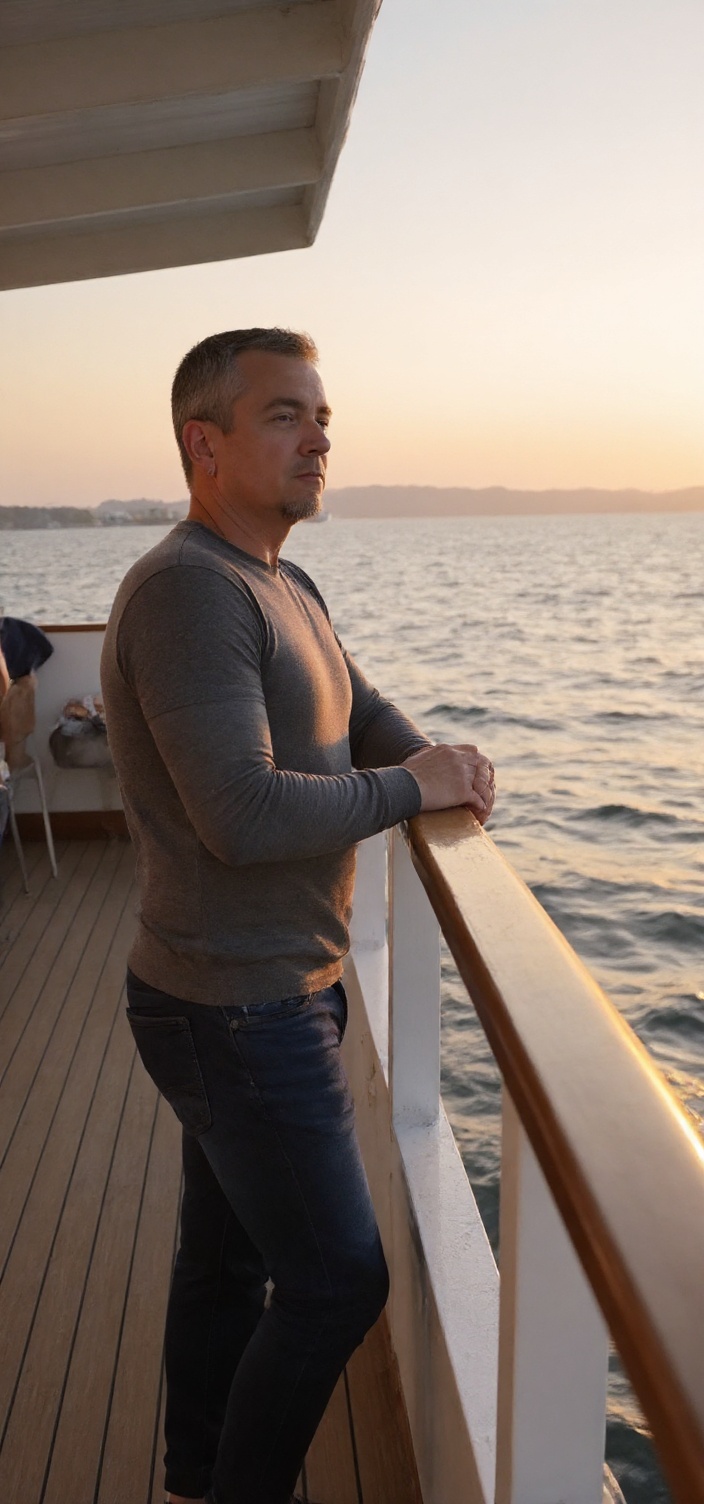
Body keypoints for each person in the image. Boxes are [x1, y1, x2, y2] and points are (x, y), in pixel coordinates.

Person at [100, 328, 495, 1504]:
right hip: (233, 1002)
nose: (319, 434)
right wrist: (408, 791)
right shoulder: (187, 591)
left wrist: (438, 760)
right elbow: (240, 813)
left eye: (320, 414)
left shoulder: (281, 580)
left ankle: (196, 1471)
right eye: (285, 414)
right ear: (203, 444)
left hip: (271, 984)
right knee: (333, 1281)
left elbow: (361, 711)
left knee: (224, 1261)